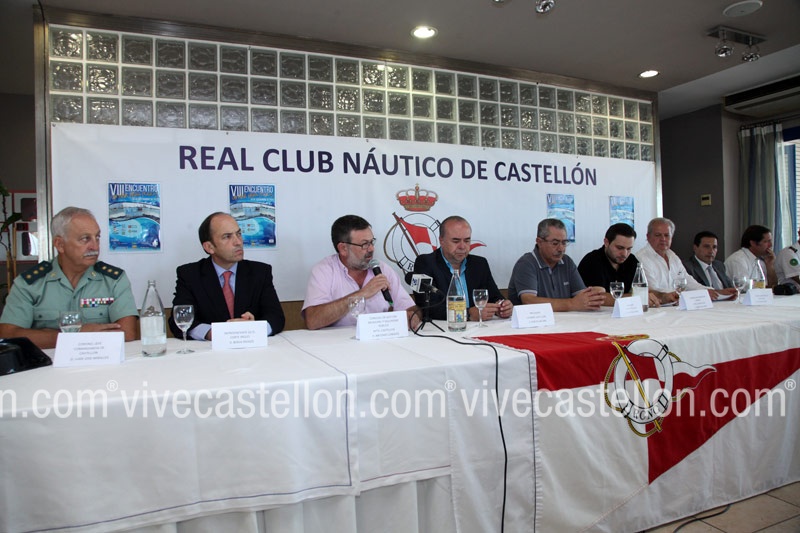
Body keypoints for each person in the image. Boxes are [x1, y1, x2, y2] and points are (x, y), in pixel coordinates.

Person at [0, 206, 138, 349]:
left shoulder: (113, 279)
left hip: (100, 360)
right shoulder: (29, 283)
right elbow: (8, 334)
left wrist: (45, 336)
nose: (95, 246)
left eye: (97, 237)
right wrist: (74, 336)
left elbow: (127, 333)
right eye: (85, 239)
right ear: (60, 244)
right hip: (47, 362)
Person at [168, 212, 285, 339]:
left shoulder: (260, 272)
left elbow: (276, 317)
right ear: (209, 247)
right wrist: (213, 333)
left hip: (252, 347)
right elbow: (178, 321)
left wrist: (254, 328)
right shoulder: (190, 275)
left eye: (238, 234)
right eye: (227, 237)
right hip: (210, 349)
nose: (238, 242)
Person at [303, 214, 419, 330]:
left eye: (372, 242)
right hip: (338, 340)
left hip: (380, 337)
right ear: (343, 248)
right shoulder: (324, 271)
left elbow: (410, 308)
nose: (371, 249)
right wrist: (361, 294)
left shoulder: (383, 269)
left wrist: (412, 316)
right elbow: (313, 320)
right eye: (364, 244)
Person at [412, 216, 513, 321]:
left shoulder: (480, 264)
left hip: (479, 327)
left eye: (467, 241)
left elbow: (494, 297)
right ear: (441, 241)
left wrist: (502, 307)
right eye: (456, 241)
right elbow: (428, 308)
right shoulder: (425, 263)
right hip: (444, 327)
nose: (462, 246)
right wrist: (467, 314)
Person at [507, 218, 605, 311]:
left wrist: (593, 295)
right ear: (539, 242)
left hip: (565, 320)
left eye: (564, 242)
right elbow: (529, 301)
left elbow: (581, 297)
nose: (561, 249)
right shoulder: (526, 263)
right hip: (534, 321)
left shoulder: (567, 262)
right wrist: (571, 304)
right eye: (555, 243)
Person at [635, 217, 721, 302]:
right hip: (657, 306)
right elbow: (652, 289)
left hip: (676, 304)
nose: (663, 239)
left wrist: (706, 291)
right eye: (658, 235)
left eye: (667, 235)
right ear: (648, 237)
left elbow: (687, 280)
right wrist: (680, 295)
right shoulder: (641, 258)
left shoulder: (673, 256)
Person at [577, 223, 660, 308]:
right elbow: (598, 297)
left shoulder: (631, 260)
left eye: (629, 249)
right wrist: (635, 298)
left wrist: (662, 297)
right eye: (620, 248)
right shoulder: (592, 261)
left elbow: (643, 290)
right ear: (606, 242)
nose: (624, 254)